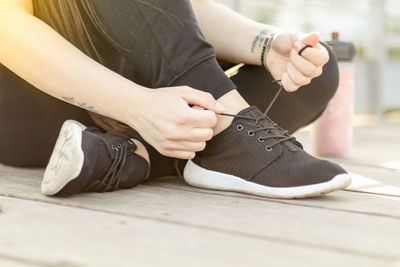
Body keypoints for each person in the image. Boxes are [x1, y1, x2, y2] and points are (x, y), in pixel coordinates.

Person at [0, 0, 351, 198]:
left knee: (311, 68)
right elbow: (8, 29)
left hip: (86, 128)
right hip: (30, 98)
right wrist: (135, 105)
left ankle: (127, 155)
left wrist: (265, 43)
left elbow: (166, 14)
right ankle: (227, 134)